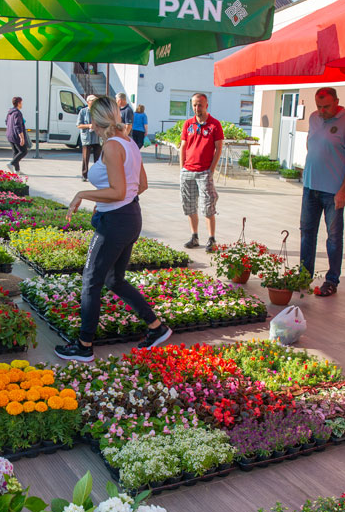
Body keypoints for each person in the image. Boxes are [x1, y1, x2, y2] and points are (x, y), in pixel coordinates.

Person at [54, 95, 172, 363]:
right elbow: (140, 185)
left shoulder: (111, 146)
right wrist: (110, 202)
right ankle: (156, 328)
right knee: (113, 279)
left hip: (116, 223)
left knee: (91, 281)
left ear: (95, 120)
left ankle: (84, 346)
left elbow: (119, 191)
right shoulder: (129, 142)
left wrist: (83, 194)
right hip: (129, 217)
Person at [299, 87, 345, 298]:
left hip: (333, 191)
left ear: (337, 101)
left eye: (326, 106)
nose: (322, 111)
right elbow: (312, 146)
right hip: (310, 187)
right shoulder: (313, 118)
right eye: (319, 106)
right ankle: (303, 276)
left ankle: (332, 280)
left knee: (334, 237)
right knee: (307, 233)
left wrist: (344, 190)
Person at [179, 93, 223, 253]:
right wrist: (182, 168)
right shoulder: (188, 124)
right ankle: (194, 236)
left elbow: (219, 148)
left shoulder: (214, 124)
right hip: (188, 170)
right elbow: (183, 146)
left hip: (204, 171)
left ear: (206, 105)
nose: (197, 108)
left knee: (208, 205)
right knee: (189, 205)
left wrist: (211, 169)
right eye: (194, 105)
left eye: (200, 105)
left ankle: (211, 239)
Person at [78, 95, 101, 181]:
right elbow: (79, 125)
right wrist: (88, 126)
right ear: (88, 102)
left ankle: (96, 176)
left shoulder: (99, 112)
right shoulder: (83, 111)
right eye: (93, 101)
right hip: (87, 138)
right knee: (85, 157)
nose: (94, 102)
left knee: (97, 159)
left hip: (97, 137)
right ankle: (84, 175)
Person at [5, 96, 28, 173]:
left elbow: (6, 122)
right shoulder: (17, 113)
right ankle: (11, 164)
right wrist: (22, 138)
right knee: (23, 151)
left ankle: (17, 170)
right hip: (15, 135)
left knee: (16, 152)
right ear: (18, 103)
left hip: (9, 134)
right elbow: (18, 126)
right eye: (21, 103)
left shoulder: (10, 112)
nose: (22, 104)